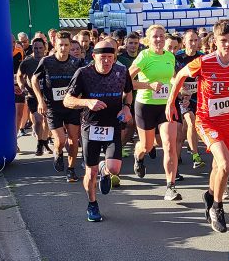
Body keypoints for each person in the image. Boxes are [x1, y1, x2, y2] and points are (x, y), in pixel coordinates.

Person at [167, 20, 229, 232]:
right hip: (207, 121)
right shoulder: (205, 61)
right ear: (214, 41)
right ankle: (217, 207)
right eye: (223, 41)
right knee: (226, 165)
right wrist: (170, 103)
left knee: (218, 166)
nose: (227, 45)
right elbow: (180, 76)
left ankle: (210, 194)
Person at [63, 39, 134, 222]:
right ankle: (92, 204)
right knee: (90, 172)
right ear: (93, 56)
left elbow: (128, 92)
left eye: (110, 57)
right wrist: (87, 102)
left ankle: (105, 168)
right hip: (91, 127)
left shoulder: (121, 71)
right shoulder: (83, 74)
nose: (107, 61)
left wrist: (126, 107)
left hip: (112, 125)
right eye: (102, 57)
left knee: (114, 168)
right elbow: (67, 100)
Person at [129, 25, 182, 202]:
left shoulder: (169, 56)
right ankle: (139, 155)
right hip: (145, 105)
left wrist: (178, 85)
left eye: (161, 36)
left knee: (169, 144)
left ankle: (170, 186)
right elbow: (127, 80)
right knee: (147, 146)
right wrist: (148, 85)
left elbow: (172, 77)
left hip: (166, 106)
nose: (159, 40)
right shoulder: (144, 56)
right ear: (148, 40)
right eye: (155, 37)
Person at [32, 31, 84, 182]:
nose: (63, 48)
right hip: (53, 107)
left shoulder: (76, 62)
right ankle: (57, 151)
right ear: (55, 45)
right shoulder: (47, 62)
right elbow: (34, 80)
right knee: (61, 140)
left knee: (74, 139)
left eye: (66, 45)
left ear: (70, 45)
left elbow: (83, 80)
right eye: (60, 45)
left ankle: (71, 169)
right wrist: (40, 100)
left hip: (72, 106)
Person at [174, 29, 205, 169]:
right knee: (191, 121)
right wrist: (181, 90)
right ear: (184, 42)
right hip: (182, 96)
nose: (193, 43)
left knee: (187, 127)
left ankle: (184, 154)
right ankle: (194, 155)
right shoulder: (177, 57)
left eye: (195, 40)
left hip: (197, 96)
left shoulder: (202, 57)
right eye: (190, 40)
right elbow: (172, 76)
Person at [19, 38, 52, 156]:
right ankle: (40, 142)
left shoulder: (49, 60)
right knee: (39, 120)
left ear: (45, 48)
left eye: (40, 48)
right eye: (35, 48)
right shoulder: (27, 62)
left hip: (47, 95)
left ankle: (43, 142)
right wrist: (22, 85)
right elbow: (19, 75)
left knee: (47, 121)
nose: (38, 50)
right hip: (32, 95)